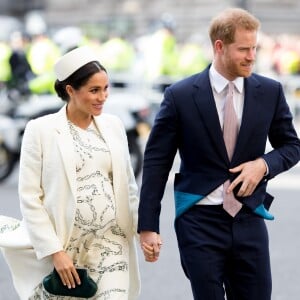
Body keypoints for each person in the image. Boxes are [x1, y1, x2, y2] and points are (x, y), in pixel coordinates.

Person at [138, 7, 300, 300]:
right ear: (219, 47)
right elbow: (156, 162)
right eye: (244, 49)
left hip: (249, 218)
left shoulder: (270, 91)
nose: (252, 56)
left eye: (255, 48)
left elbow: (292, 146)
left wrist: (262, 165)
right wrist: (148, 226)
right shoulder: (180, 96)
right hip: (199, 221)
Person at [0, 46, 140, 300]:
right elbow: (30, 197)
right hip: (66, 248)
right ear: (70, 90)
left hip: (112, 244)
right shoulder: (40, 130)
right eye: (94, 90)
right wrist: (55, 252)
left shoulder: (114, 125)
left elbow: (128, 186)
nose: (103, 97)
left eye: (106, 88)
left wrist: (144, 230)